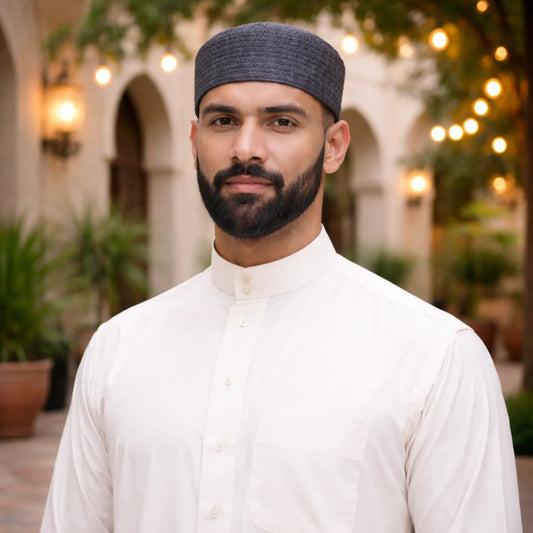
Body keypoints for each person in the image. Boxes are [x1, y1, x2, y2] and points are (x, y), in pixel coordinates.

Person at [41, 22, 522, 533]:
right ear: (193, 139)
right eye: (223, 120)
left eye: (282, 122)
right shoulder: (118, 349)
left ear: (335, 147)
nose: (246, 148)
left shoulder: (434, 357)